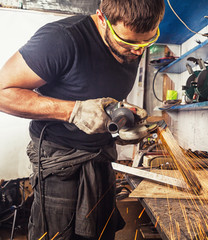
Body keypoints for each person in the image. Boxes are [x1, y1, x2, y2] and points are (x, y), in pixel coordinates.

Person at [0, 0, 165, 239]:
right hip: (60, 161)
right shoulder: (61, 39)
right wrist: (73, 111)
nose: (139, 51)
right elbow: (3, 92)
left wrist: (123, 118)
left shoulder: (133, 44)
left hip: (101, 158)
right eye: (128, 42)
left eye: (147, 41)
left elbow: (98, 91)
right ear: (101, 19)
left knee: (100, 233)